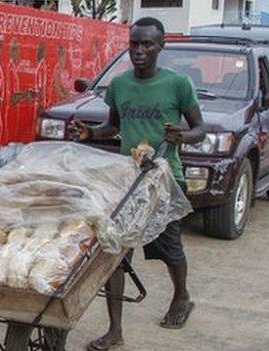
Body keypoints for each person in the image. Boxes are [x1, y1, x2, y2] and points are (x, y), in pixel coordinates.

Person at [68, 17, 206, 351]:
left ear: (161, 46)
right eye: (134, 44)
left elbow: (199, 129)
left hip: (164, 180)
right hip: (128, 182)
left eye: (148, 45)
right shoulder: (119, 85)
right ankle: (115, 331)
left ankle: (182, 297)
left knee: (170, 250)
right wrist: (91, 133)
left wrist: (182, 136)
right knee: (113, 253)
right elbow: (113, 127)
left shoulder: (178, 84)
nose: (140, 51)